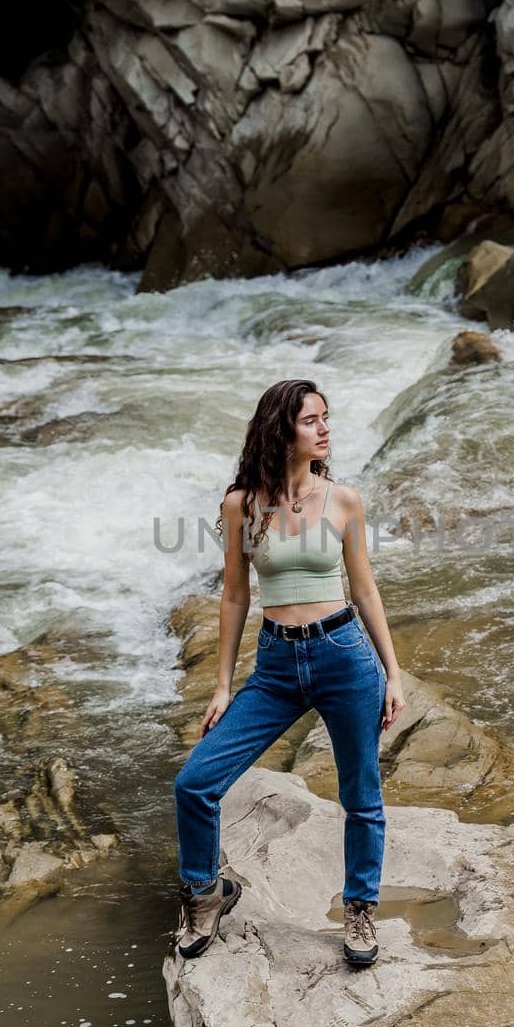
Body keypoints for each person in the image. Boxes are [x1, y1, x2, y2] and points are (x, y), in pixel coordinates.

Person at [172, 379, 406, 966]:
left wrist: (393, 673)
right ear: (282, 429)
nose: (325, 428)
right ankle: (206, 894)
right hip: (277, 664)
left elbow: (366, 588)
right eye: (312, 420)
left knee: (362, 795)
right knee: (195, 782)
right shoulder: (241, 505)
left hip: (344, 655)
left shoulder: (344, 500)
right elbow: (233, 597)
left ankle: (360, 911)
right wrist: (223, 686)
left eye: (327, 418)